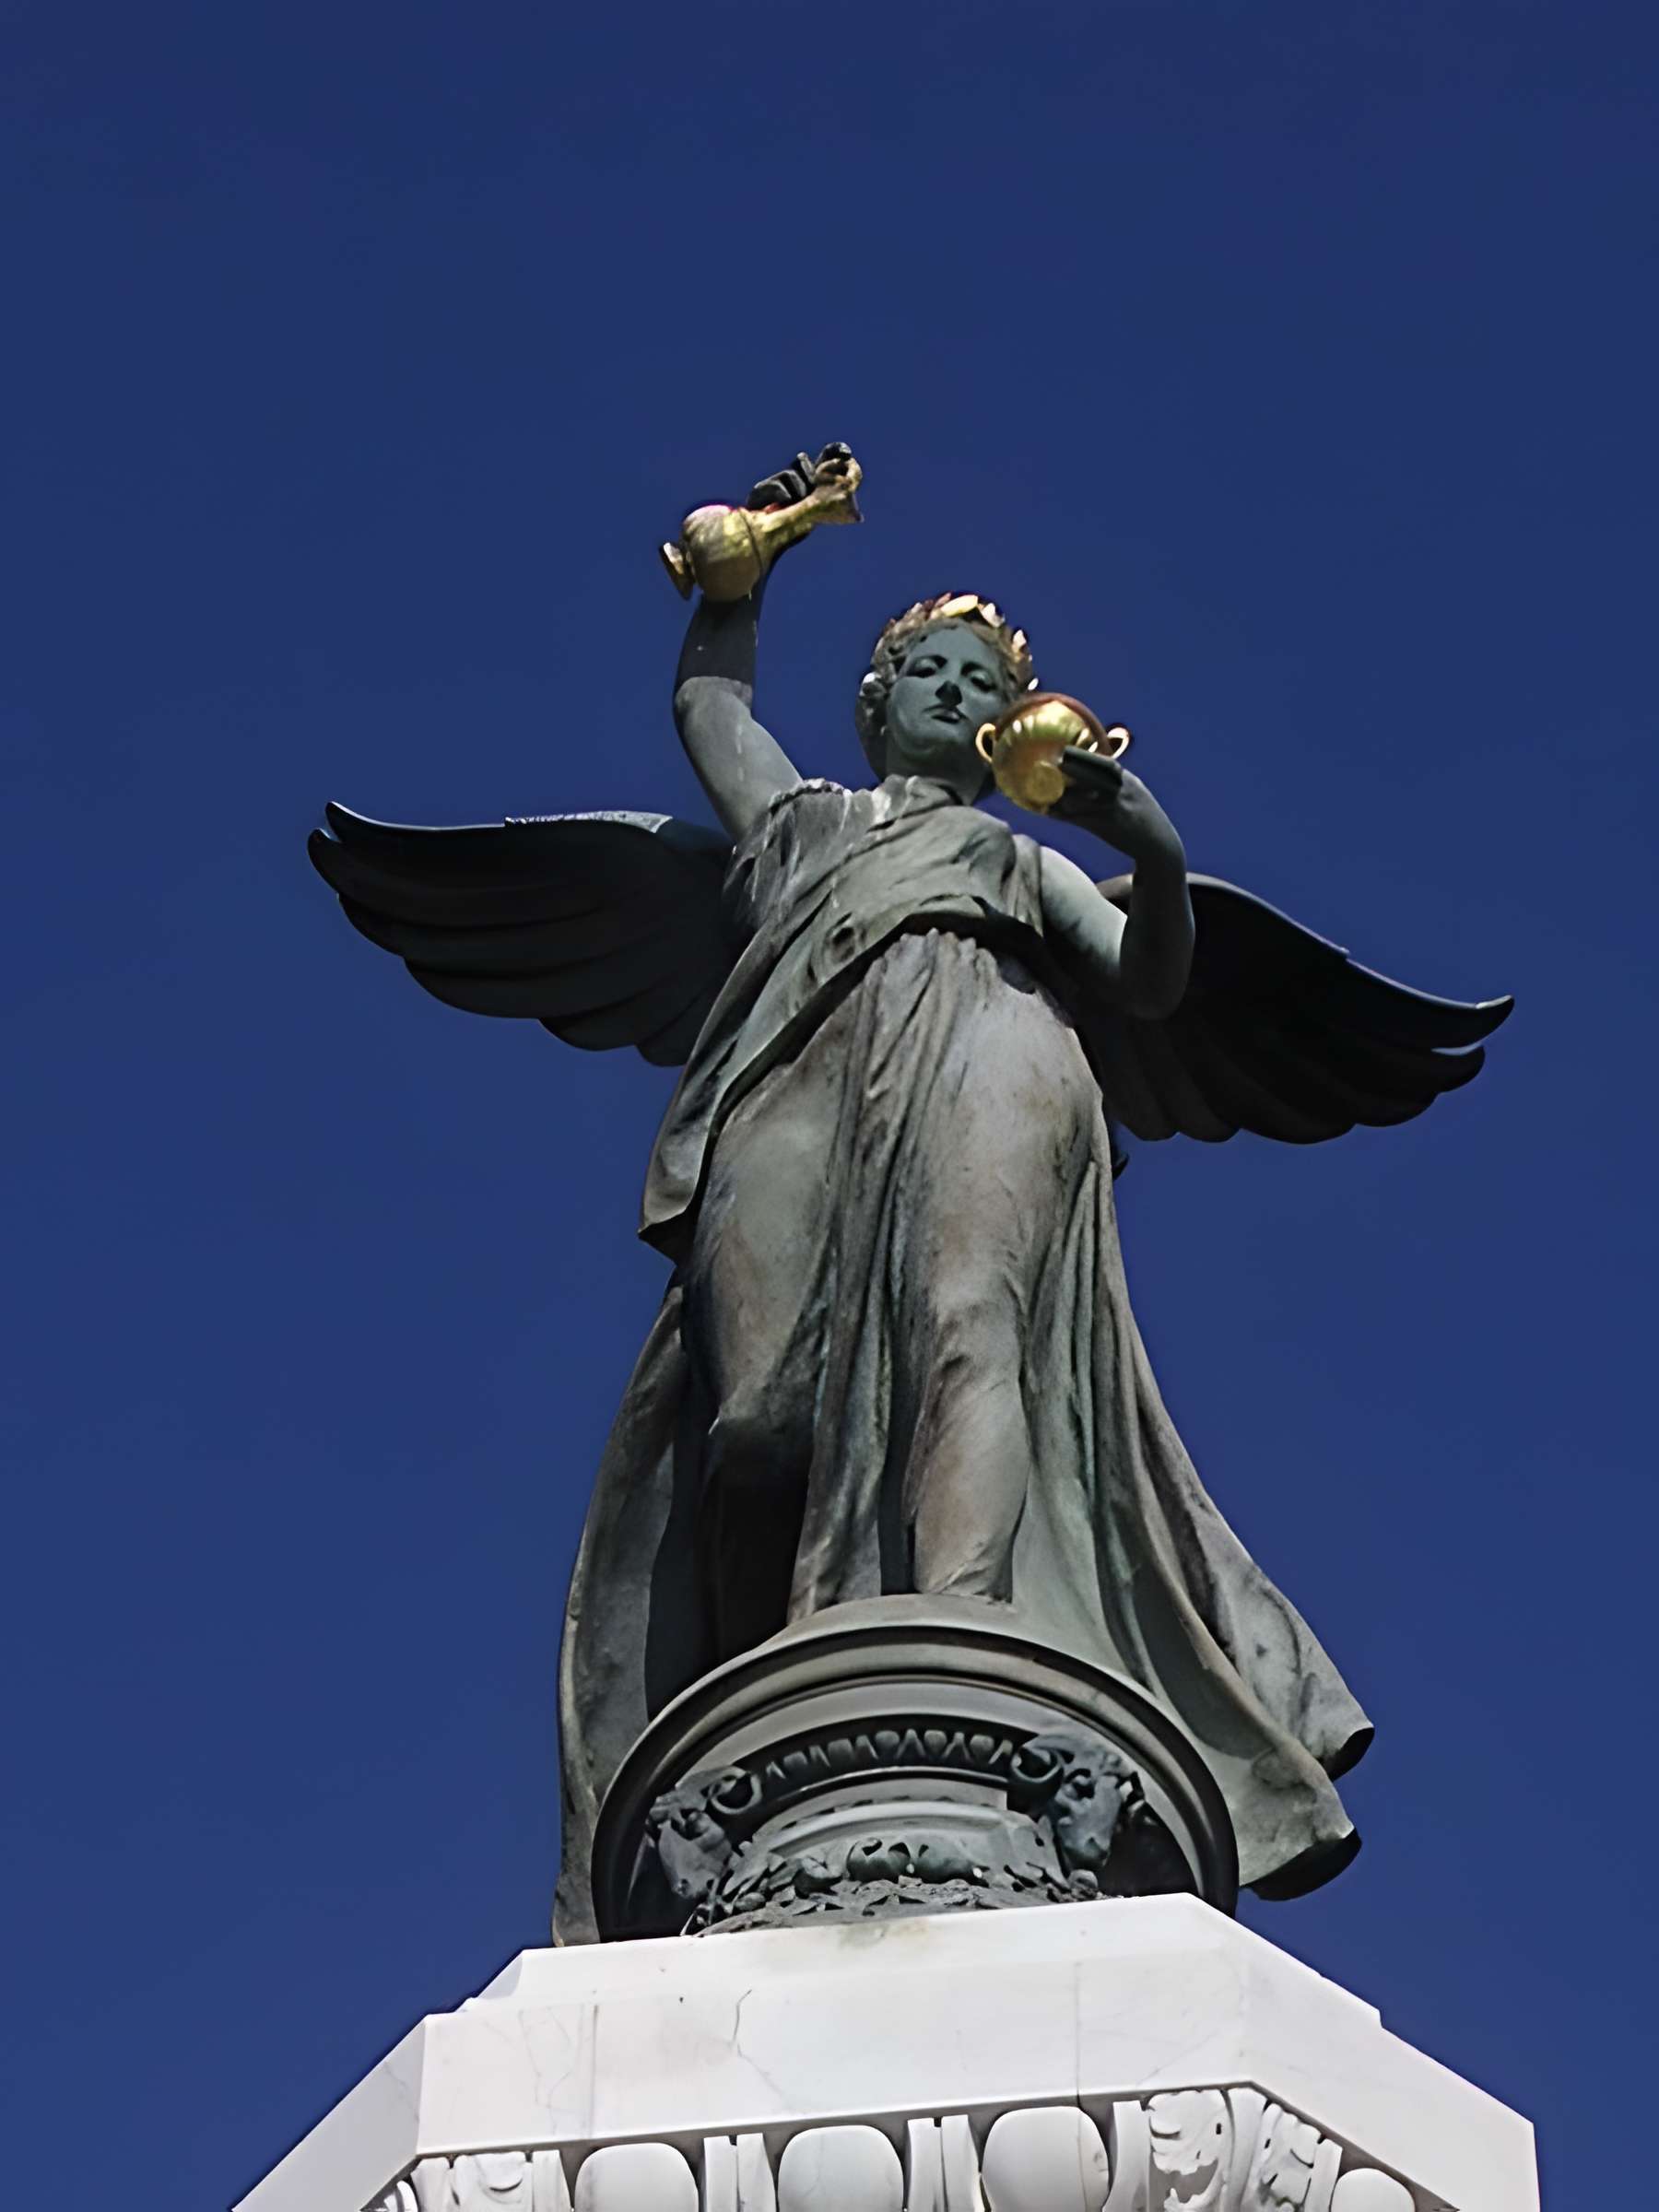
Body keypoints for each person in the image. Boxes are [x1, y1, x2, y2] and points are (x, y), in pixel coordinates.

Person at [309, 447, 1510, 1942]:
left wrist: (1153, 850)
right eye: (927, 670)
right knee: (755, 1415)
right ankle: (782, 1672)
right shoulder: (801, 825)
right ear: (877, 705)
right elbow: (707, 712)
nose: (953, 689)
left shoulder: (1010, 858)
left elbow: (1146, 977)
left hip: (994, 1041)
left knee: (969, 1323)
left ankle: (961, 1632)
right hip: (800, 1074)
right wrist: (736, 590)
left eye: (976, 676)